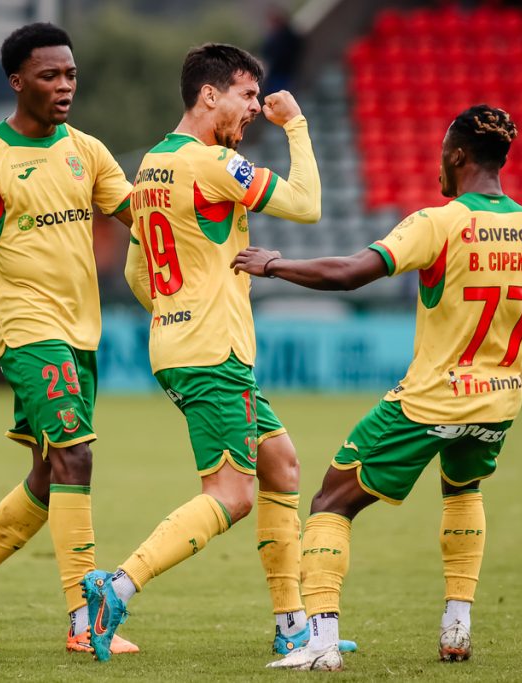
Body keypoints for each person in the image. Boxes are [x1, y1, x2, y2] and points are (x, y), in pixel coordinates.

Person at [232, 104, 522, 671]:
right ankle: (456, 627)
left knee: (331, 499)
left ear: (457, 155)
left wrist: (275, 264)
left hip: (432, 398)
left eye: (441, 150)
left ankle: (323, 643)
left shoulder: (437, 222)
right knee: (462, 490)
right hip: (499, 400)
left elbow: (353, 272)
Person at [82, 42, 355, 662]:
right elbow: (307, 205)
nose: (257, 108)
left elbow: (135, 268)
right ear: (210, 96)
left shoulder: (152, 164)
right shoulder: (210, 164)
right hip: (211, 351)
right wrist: (298, 125)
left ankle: (292, 625)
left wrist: (176, 311)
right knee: (232, 493)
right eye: (248, 95)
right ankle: (117, 585)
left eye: (262, 99)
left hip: (182, 345)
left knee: (281, 463)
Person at [0, 22, 139, 656]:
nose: (65, 86)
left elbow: (143, 218)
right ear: (18, 82)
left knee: (49, 477)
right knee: (78, 456)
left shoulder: (88, 151)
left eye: (70, 74)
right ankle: (84, 619)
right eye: (50, 75)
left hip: (80, 331)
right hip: (25, 329)